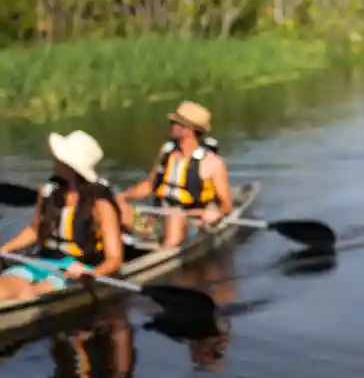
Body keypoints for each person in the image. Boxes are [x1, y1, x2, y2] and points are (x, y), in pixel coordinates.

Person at [0, 131, 124, 301]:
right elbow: (33, 231)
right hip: (43, 262)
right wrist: (5, 249)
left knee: (28, 294)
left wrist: (93, 273)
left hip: (75, 269)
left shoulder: (101, 205)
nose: (55, 160)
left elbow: (114, 258)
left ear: (70, 165)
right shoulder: (48, 192)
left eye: (60, 158)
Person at [115, 100, 232, 247]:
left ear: (189, 129)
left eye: (176, 123)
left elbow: (226, 206)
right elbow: (149, 186)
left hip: (191, 223)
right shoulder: (166, 152)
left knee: (175, 216)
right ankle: (138, 241)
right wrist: (122, 197)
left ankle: (166, 251)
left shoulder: (212, 162)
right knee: (115, 206)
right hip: (160, 219)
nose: (171, 125)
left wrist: (216, 213)